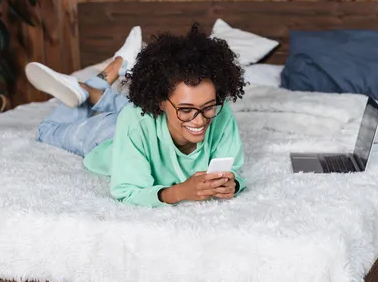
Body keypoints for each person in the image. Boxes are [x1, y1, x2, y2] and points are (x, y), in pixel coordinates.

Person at [25, 23, 246, 208]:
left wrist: (232, 184)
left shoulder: (219, 110)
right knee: (47, 131)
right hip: (107, 136)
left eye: (208, 107)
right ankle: (104, 76)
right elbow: (128, 192)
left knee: (136, 110)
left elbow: (233, 171)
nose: (200, 120)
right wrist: (179, 192)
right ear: (160, 102)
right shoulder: (134, 121)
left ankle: (98, 83)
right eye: (186, 110)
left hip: (145, 120)